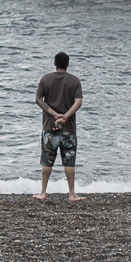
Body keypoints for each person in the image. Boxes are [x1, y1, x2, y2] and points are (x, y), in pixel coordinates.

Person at [33, 52, 84, 202]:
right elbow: (78, 102)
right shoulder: (74, 81)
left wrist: (55, 115)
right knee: (69, 160)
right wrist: (65, 116)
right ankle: (72, 194)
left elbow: (38, 100)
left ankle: (43, 192)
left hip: (49, 127)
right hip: (69, 129)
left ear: (54, 63)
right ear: (68, 64)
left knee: (47, 161)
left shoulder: (45, 79)